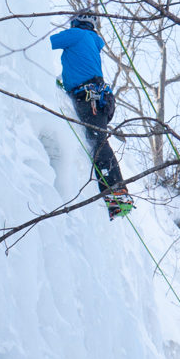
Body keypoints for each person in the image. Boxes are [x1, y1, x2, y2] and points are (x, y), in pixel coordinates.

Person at [50, 12, 135, 220]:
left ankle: (118, 194)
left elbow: (46, 42)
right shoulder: (93, 41)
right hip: (97, 99)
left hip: (90, 99)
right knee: (98, 143)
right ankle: (115, 194)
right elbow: (80, 66)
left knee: (99, 144)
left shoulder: (77, 34)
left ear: (78, 22)